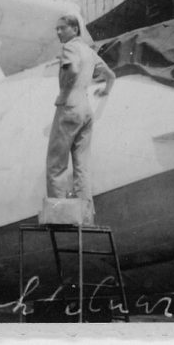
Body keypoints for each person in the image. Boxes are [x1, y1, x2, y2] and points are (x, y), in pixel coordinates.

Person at [46, 15, 115, 225]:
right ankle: (86, 217)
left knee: (56, 164)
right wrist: (105, 91)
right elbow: (110, 75)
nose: (58, 32)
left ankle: (59, 216)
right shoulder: (90, 51)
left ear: (74, 29)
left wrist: (63, 95)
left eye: (62, 28)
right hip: (86, 108)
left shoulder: (69, 48)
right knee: (82, 165)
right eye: (56, 29)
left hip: (69, 107)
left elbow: (72, 69)